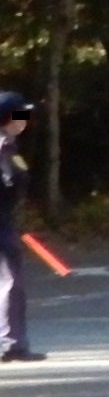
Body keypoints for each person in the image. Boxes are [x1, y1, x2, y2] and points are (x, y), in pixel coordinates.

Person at [0, 92, 39, 362]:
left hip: (7, 224)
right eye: (20, 114)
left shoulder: (10, 147)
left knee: (12, 283)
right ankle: (9, 343)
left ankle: (13, 341)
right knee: (8, 282)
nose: (24, 120)